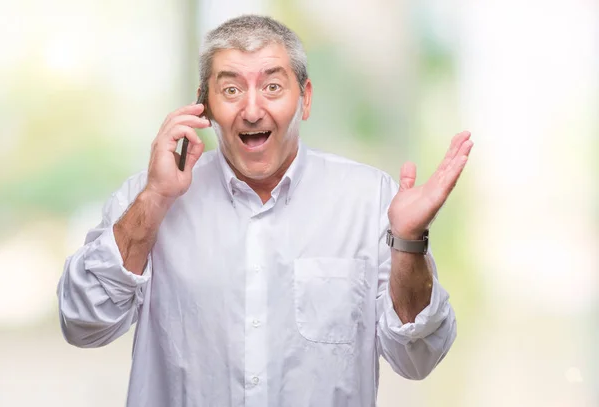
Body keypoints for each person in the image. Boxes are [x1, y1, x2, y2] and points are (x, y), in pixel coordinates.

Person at [57, 14, 472, 407]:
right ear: (203, 106)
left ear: (305, 99)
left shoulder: (368, 199)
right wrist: (155, 198)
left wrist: (410, 243)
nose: (252, 110)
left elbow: (418, 359)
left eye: (272, 87)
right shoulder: (148, 196)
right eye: (231, 89)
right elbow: (82, 323)